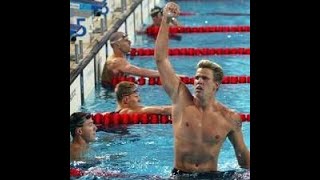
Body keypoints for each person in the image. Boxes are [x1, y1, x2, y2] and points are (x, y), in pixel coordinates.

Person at [154, 2, 250, 178]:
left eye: (204, 78)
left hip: (212, 176)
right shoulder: (180, 99)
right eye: (196, 77)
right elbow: (161, 59)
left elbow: (243, 158)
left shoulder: (229, 118)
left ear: (216, 85)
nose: (198, 81)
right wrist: (165, 21)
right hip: (180, 175)